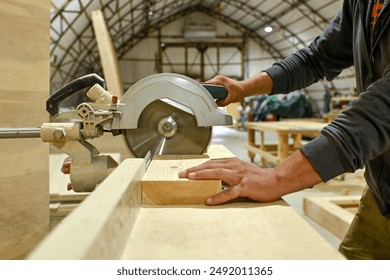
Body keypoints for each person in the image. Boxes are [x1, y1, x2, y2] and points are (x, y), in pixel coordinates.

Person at [178, 0, 390, 259]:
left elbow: (380, 112)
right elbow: (317, 58)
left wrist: (277, 178)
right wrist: (244, 88)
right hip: (383, 191)